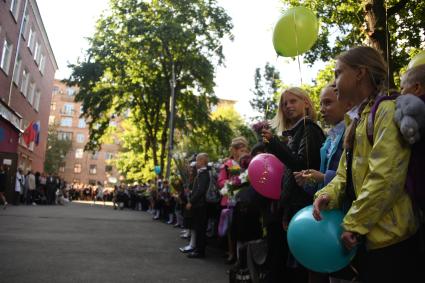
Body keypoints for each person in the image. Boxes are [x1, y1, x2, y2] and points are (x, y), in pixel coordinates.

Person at [313, 46, 420, 283]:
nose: (335, 81)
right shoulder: (357, 119)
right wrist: (327, 194)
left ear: (360, 73)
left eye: (338, 73)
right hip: (369, 238)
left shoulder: (387, 111)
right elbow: (344, 173)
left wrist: (354, 224)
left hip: (393, 241)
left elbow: (385, 178)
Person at [262, 87, 325, 282]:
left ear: (306, 103)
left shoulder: (309, 129)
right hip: (293, 206)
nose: (288, 106)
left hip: (304, 205)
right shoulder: (295, 133)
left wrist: (274, 145)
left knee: (301, 266)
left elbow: (301, 165)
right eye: (284, 103)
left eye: (293, 101)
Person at [293, 85, 351, 283]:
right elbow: (324, 177)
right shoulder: (330, 139)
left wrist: (322, 177)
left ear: (346, 102)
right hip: (327, 213)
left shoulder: (350, 134)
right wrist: (308, 182)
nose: (322, 109)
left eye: (328, 102)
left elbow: (351, 176)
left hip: (343, 216)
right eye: (321, 103)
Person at [217, 137, 250, 264]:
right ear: (235, 151)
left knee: (241, 228)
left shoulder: (248, 162)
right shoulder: (228, 165)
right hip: (230, 200)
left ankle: (241, 257)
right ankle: (232, 254)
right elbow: (220, 182)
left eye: (246, 150)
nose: (244, 153)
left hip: (244, 199)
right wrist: (234, 182)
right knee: (231, 229)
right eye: (242, 150)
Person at [186, 153, 210, 259]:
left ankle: (200, 252)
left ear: (202, 161)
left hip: (201, 205)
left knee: (200, 229)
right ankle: (197, 249)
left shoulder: (204, 173)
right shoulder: (201, 173)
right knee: (198, 227)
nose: (196, 163)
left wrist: (191, 201)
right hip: (199, 204)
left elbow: (201, 190)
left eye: (197, 160)